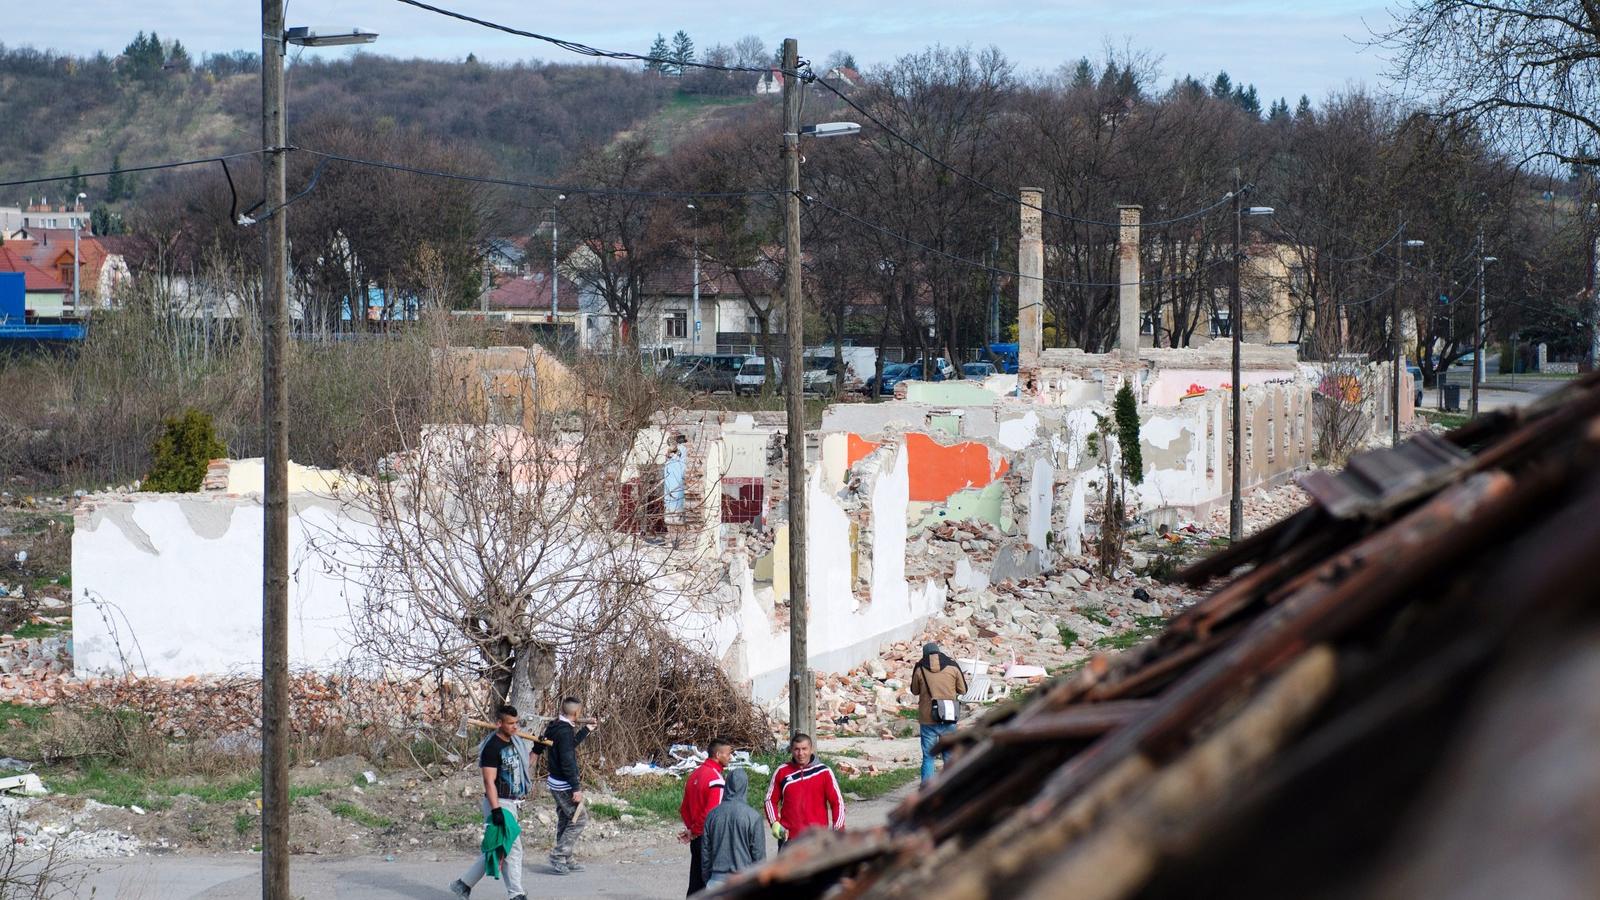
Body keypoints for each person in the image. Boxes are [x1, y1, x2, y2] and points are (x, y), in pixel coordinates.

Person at [450, 705, 533, 900]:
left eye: (516, 723)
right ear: (499, 724)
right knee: (512, 847)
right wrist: (496, 810)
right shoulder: (492, 748)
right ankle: (516, 894)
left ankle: (462, 885)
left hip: (512, 802)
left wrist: (536, 750)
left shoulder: (516, 742)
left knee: (498, 847)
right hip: (499, 802)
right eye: (511, 723)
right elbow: (489, 781)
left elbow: (524, 766)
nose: (515, 727)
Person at [539, 697, 594, 875]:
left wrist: (586, 729)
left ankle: (566, 857)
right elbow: (568, 760)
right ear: (577, 713)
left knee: (566, 819)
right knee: (579, 819)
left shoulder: (557, 726)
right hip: (563, 784)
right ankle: (558, 855)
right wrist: (576, 788)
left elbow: (568, 747)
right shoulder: (564, 731)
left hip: (556, 781)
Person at [763, 734, 844, 848]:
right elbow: (769, 800)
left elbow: (837, 803)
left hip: (818, 840)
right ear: (791, 750)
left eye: (804, 749)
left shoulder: (824, 772)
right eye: (797, 749)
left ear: (811, 749)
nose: (800, 754)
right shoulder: (782, 772)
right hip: (789, 840)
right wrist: (775, 823)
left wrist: (838, 830)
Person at [679, 738, 732, 896]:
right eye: (728, 754)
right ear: (718, 754)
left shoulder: (695, 773)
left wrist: (691, 830)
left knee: (695, 883)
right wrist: (695, 830)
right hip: (708, 839)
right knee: (710, 885)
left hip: (696, 838)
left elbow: (684, 809)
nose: (730, 757)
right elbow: (712, 814)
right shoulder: (716, 779)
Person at [910, 642, 969, 783]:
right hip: (948, 716)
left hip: (927, 718)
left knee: (928, 756)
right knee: (949, 755)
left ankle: (926, 790)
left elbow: (914, 690)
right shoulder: (953, 666)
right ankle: (950, 788)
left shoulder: (920, 668)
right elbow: (963, 690)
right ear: (939, 652)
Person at [700, 767, 766, 888]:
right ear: (746, 786)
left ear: (726, 786)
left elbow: (705, 853)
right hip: (743, 882)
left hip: (715, 881)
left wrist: (707, 879)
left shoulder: (712, 815)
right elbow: (759, 856)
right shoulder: (754, 817)